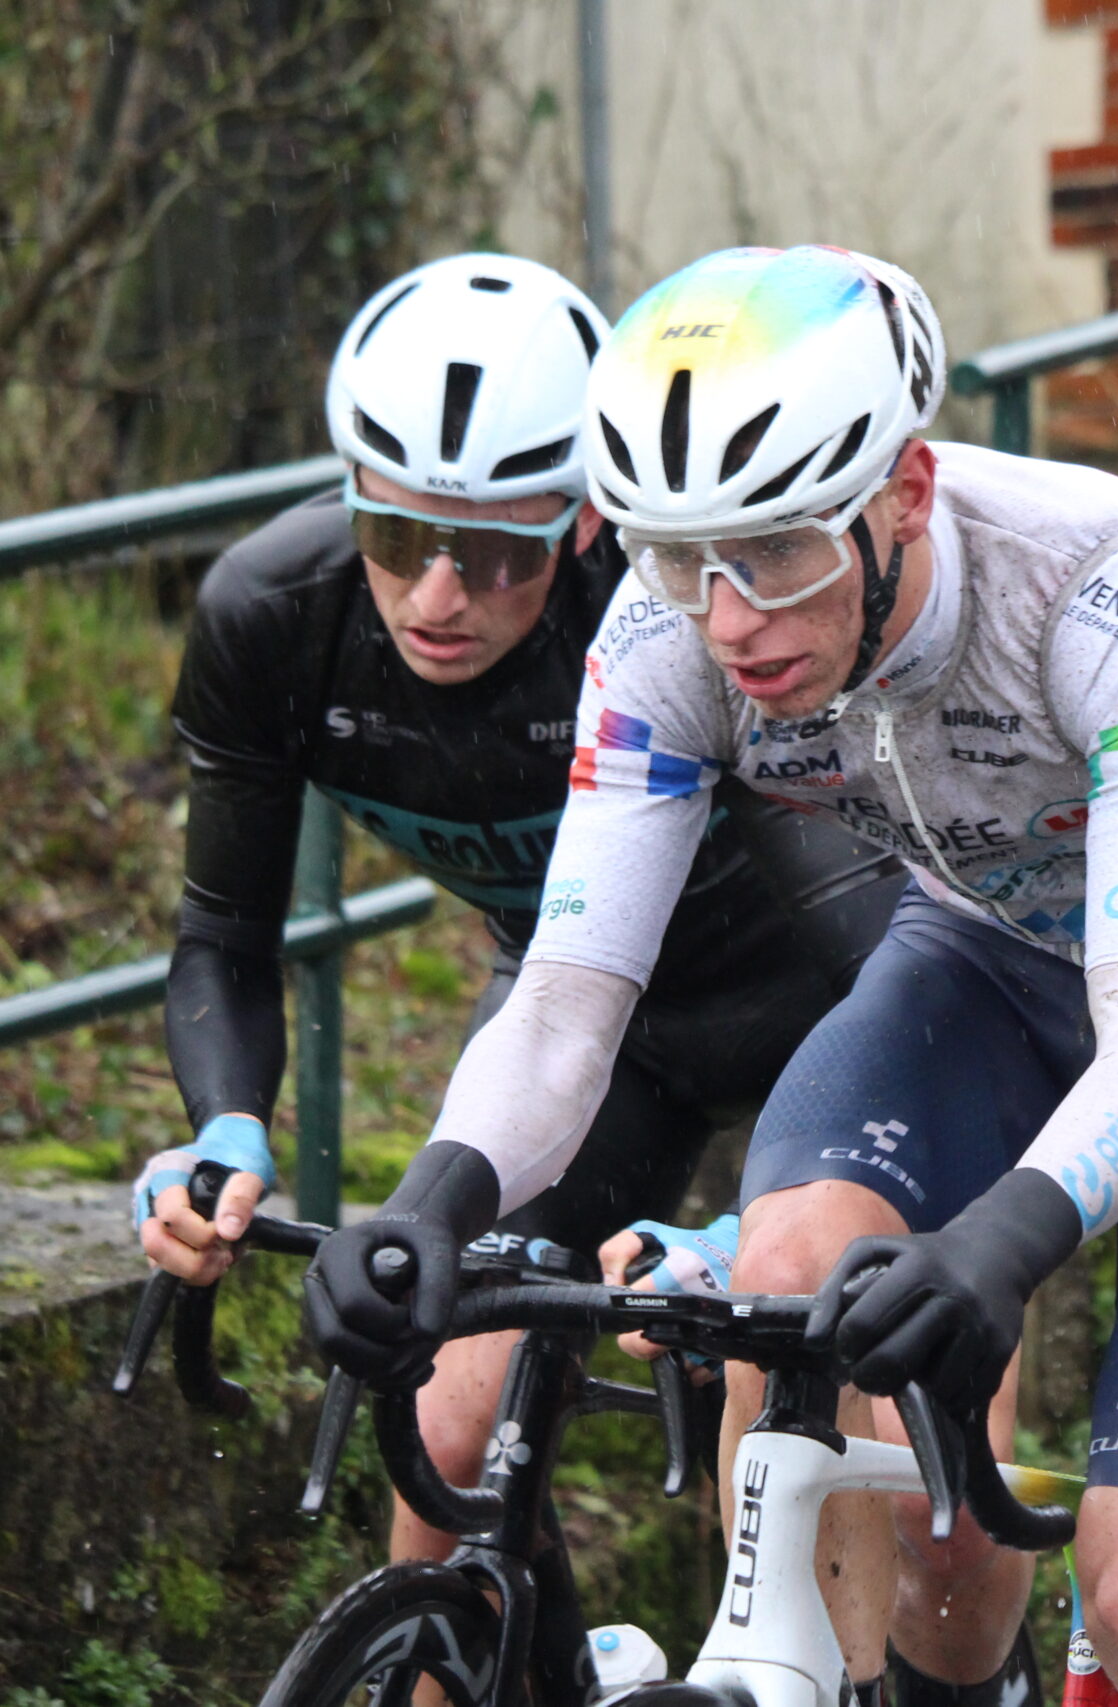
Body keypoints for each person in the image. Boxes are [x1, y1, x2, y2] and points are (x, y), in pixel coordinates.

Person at [300, 245, 1118, 1707]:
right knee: (785, 1271)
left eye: (776, 552)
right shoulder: (666, 635)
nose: (727, 618)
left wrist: (998, 1243)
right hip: (986, 952)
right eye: (679, 556)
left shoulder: (1112, 598)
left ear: (907, 494)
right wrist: (433, 1203)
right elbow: (565, 1003)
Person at [129, 252, 902, 1582]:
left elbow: (886, 956)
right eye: (394, 538)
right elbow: (223, 940)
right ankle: (490, 1654)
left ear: (588, 526)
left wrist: (757, 1232)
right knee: (446, 1428)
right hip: (583, 1037)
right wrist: (225, 1127)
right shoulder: (273, 617)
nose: (436, 597)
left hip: (828, 1020)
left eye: (496, 555)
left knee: (858, 1468)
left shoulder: (682, 624)